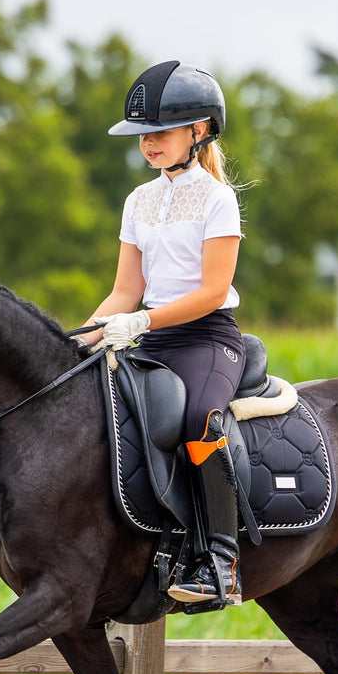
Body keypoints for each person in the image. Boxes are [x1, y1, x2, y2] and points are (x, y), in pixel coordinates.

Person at [87, 60, 245, 606]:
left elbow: (212, 291)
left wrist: (141, 321)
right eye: (142, 136)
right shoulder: (138, 200)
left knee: (200, 417)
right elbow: (124, 291)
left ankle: (221, 561)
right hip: (151, 338)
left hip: (207, 339)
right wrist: (79, 340)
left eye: (160, 132)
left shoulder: (218, 199)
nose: (148, 144)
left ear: (198, 131)